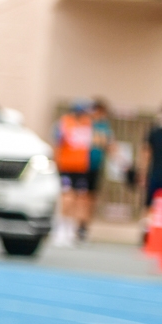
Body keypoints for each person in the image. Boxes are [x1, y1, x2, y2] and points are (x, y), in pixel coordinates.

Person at [52, 100, 97, 245]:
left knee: (80, 199)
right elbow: (57, 143)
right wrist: (56, 162)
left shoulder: (87, 124)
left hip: (81, 167)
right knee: (67, 197)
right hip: (67, 166)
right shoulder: (65, 123)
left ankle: (72, 228)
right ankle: (61, 228)